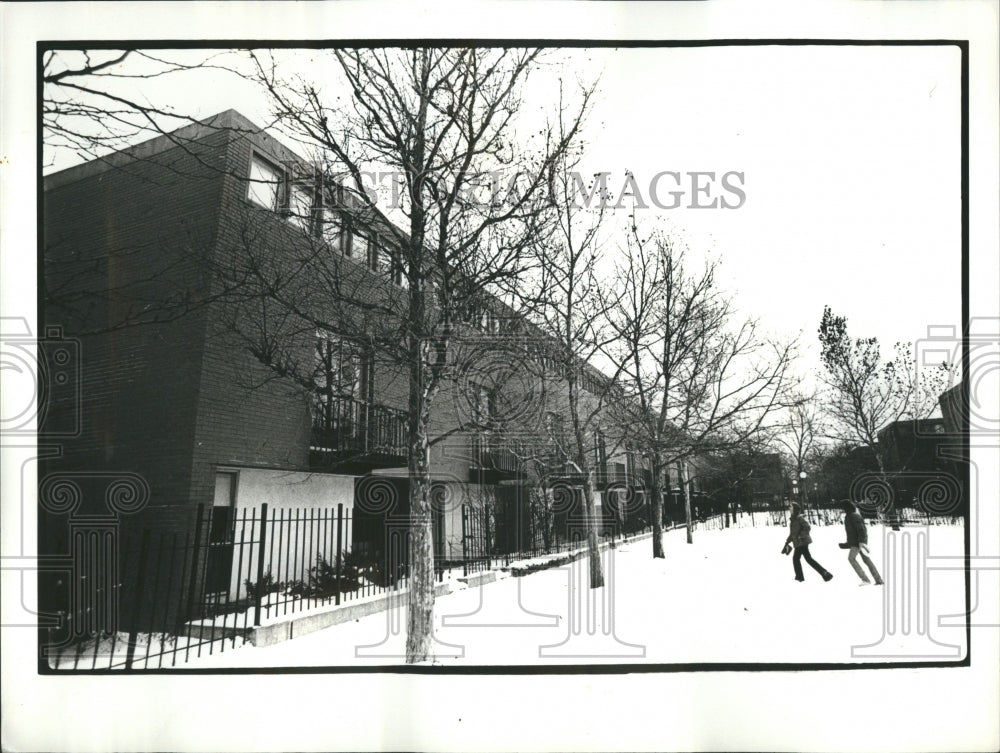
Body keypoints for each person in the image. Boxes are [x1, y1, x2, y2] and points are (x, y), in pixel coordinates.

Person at [783, 504, 833, 582]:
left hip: (802, 542)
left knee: (796, 558)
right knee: (808, 559)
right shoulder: (793, 520)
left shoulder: (800, 518)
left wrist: (800, 536)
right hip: (799, 543)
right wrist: (787, 542)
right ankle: (825, 573)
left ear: (795, 509)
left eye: (791, 507)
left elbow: (807, 527)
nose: (789, 508)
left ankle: (800, 577)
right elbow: (792, 534)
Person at [839, 501, 884, 585]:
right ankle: (878, 580)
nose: (842, 510)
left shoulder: (854, 516)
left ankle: (865, 580)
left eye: (843, 508)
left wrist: (862, 542)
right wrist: (847, 544)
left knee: (851, 558)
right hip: (857, 542)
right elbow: (852, 533)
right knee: (867, 560)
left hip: (858, 543)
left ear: (846, 508)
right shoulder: (849, 516)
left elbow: (862, 530)